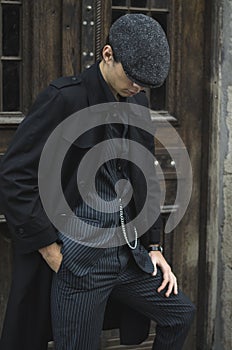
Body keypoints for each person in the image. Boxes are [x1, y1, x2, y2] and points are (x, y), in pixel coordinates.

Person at [0, 14, 195, 350]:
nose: (137, 87)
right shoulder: (63, 99)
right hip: (78, 259)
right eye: (132, 77)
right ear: (108, 55)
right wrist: (50, 250)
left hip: (127, 255)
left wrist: (155, 247)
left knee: (179, 313)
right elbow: (15, 173)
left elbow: (145, 174)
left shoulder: (137, 103)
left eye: (144, 83)